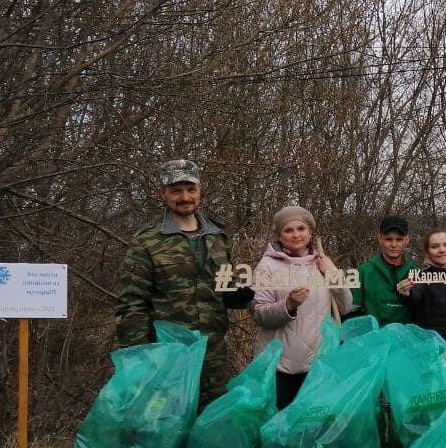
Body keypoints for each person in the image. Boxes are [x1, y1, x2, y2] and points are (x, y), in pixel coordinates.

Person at [115, 159, 253, 407]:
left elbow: (225, 284)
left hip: (212, 353)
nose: (184, 197)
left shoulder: (217, 236)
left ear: (200, 191)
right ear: (163, 193)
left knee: (210, 424)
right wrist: (139, 357)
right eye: (176, 190)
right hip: (168, 354)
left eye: (191, 189)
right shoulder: (148, 240)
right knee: (169, 424)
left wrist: (237, 295)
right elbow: (132, 302)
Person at [251, 206, 353, 409]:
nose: (296, 235)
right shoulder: (267, 266)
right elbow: (260, 315)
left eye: (301, 228)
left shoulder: (322, 263)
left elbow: (346, 306)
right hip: (278, 366)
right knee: (277, 425)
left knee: (311, 424)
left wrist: (332, 273)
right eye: (288, 230)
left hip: (318, 363)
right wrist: (289, 305)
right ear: (279, 234)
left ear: (310, 232)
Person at [351, 216, 417, 325]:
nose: (394, 245)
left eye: (399, 239)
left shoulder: (416, 274)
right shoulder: (362, 272)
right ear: (380, 239)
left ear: (407, 240)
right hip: (373, 338)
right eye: (388, 239)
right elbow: (352, 312)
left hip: (406, 339)